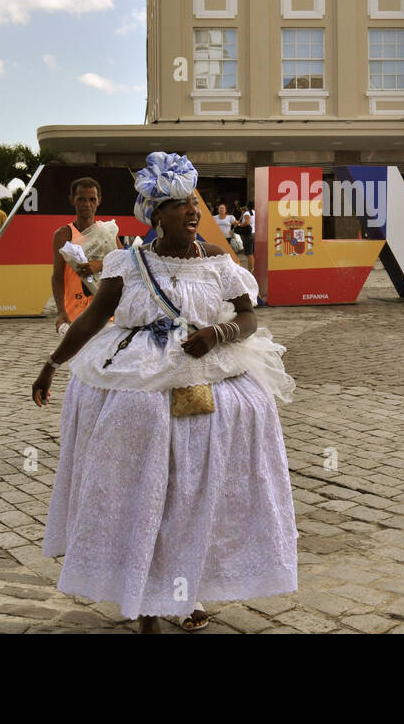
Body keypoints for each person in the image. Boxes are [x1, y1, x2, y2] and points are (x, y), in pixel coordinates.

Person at [33, 152, 298, 633]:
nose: (192, 212)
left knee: (195, 499)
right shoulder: (128, 262)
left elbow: (248, 316)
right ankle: (147, 604)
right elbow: (93, 318)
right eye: (178, 205)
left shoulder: (218, 261)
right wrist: (53, 364)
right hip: (139, 390)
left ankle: (187, 590)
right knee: (146, 496)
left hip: (208, 391)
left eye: (193, 203)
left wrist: (217, 335)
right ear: (155, 215)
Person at [51, 177, 103, 333]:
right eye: (81, 199)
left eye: (92, 199)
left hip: (103, 312)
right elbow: (57, 276)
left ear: (99, 201)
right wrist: (61, 311)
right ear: (72, 200)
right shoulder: (63, 235)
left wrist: (99, 265)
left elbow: (123, 265)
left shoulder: (107, 232)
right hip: (74, 313)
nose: (87, 204)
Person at [235, 203, 255, 271]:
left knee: (249, 254)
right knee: (253, 253)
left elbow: (247, 222)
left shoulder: (246, 213)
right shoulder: (254, 212)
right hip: (254, 234)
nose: (241, 212)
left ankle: (250, 270)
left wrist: (240, 225)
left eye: (241, 210)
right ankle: (253, 269)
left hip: (248, 235)